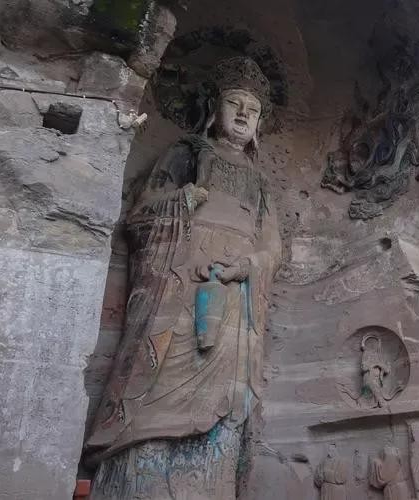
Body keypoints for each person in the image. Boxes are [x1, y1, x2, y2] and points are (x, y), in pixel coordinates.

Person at [86, 56, 282, 499]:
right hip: (179, 283)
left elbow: (272, 246)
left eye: (253, 109)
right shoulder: (187, 153)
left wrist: (248, 266)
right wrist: (182, 201)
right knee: (159, 370)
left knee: (228, 399)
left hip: (235, 294)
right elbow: (141, 213)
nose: (243, 114)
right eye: (234, 103)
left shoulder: (261, 182)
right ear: (214, 108)